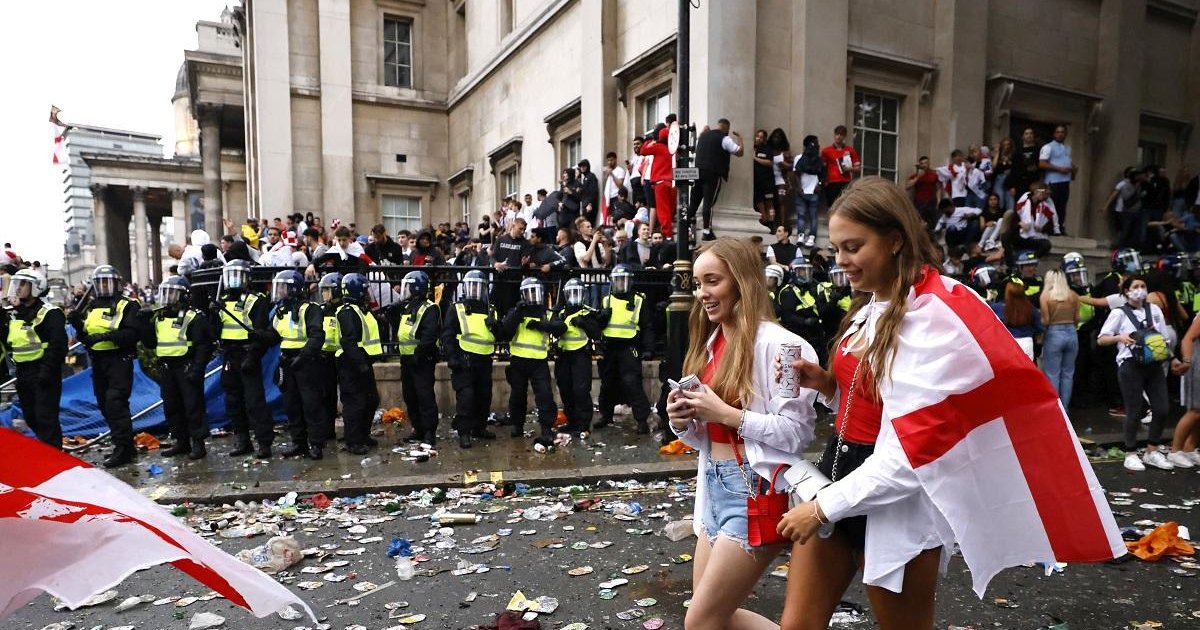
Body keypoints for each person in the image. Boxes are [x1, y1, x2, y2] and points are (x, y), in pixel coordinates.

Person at [776, 177, 1123, 630]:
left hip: (893, 501)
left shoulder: (937, 315)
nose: (841, 261)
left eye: (853, 247)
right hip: (836, 474)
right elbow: (878, 403)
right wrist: (827, 386)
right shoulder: (870, 306)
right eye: (837, 247)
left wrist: (821, 508)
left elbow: (912, 454)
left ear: (895, 239)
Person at [664, 237, 818, 630]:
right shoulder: (712, 341)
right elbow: (706, 433)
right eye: (698, 284)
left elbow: (797, 434)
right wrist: (682, 420)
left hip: (754, 489)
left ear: (742, 281)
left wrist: (727, 413)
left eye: (712, 281)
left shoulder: (783, 346)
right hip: (713, 485)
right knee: (714, 618)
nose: (702, 294)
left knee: (700, 621)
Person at [1097, 275, 1173, 471]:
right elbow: (1102, 339)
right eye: (1136, 286)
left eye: (1143, 286)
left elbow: (1164, 338)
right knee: (1134, 410)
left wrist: (1173, 359)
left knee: (1162, 408)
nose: (1140, 289)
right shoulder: (1119, 313)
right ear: (1126, 291)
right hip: (1130, 365)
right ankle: (1130, 453)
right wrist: (1120, 338)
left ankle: (1152, 450)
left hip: (1154, 364)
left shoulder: (1154, 310)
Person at [70, 265, 141, 467]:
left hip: (119, 359)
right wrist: (78, 326)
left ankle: (123, 448)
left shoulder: (128, 305)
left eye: (107, 282)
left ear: (117, 284)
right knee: (104, 404)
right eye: (100, 282)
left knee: (115, 402)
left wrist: (106, 337)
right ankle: (126, 445)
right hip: (98, 361)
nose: (104, 286)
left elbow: (131, 334)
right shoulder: (92, 307)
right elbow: (87, 338)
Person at [140, 276, 213, 460]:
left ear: (183, 296)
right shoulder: (160, 317)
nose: (168, 297)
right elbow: (150, 343)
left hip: (186, 367)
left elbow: (204, 345)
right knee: (172, 406)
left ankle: (198, 443)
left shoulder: (193, 317)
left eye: (172, 293)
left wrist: (197, 369)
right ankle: (181, 441)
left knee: (193, 406)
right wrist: (144, 324)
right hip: (167, 368)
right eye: (166, 293)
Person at [212, 259, 274, 459]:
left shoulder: (256, 300)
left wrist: (253, 356)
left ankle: (264, 442)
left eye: (239, 276)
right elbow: (216, 332)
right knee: (233, 401)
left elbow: (261, 331)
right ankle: (242, 439)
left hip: (248, 353)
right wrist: (213, 314)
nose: (234, 280)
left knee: (254, 401)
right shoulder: (223, 300)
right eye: (231, 275)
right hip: (230, 354)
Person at [2, 269, 67, 448]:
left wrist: (46, 373)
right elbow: (9, 341)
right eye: (17, 284)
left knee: (46, 417)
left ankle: (54, 459)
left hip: (43, 371)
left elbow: (58, 345)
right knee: (31, 416)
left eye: (23, 284)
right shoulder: (16, 314)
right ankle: (48, 453)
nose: (18, 288)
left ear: (36, 287)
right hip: (23, 373)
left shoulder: (50, 313)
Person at [268, 270, 329, 460]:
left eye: (283, 287)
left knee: (311, 405)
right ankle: (299, 442)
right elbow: (274, 335)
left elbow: (317, 336)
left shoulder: (310, 309)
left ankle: (316, 444)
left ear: (293, 288)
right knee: (291, 404)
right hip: (287, 361)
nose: (279, 292)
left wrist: (303, 357)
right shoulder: (280, 310)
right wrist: (258, 336)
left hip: (306, 362)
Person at [500, 277, 565, 439]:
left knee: (545, 396)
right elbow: (505, 331)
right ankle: (517, 425)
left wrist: (538, 325)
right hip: (518, 361)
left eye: (535, 292)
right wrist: (517, 313)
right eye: (529, 293)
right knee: (517, 396)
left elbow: (560, 327)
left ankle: (546, 428)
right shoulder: (516, 311)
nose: (532, 296)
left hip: (538, 361)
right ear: (523, 295)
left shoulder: (545, 314)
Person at [442, 270, 499, 448]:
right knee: (466, 397)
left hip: (484, 359)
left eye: (478, 286)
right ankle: (464, 432)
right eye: (471, 285)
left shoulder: (490, 309)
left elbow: (499, 334)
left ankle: (479, 428)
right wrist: (451, 357)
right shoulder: (457, 308)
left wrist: (496, 325)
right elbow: (448, 334)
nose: (474, 289)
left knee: (484, 396)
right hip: (463, 359)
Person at [596, 265, 655, 433]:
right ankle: (606, 415)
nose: (621, 284)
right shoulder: (606, 300)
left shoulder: (638, 300)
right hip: (609, 347)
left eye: (624, 280)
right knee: (607, 383)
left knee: (632, 383)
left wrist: (648, 349)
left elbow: (647, 326)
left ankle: (642, 420)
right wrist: (601, 318)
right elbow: (596, 326)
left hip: (628, 347)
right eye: (618, 281)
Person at [391, 270, 441, 446]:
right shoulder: (408, 307)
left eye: (409, 287)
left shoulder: (429, 308)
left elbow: (429, 336)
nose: (407, 291)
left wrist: (418, 354)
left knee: (424, 396)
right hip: (407, 359)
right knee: (410, 396)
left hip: (422, 360)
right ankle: (418, 428)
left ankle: (429, 432)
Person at [336, 272, 383, 454]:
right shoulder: (348, 312)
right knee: (355, 403)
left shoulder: (360, 310)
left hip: (363, 362)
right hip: (351, 364)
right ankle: (353, 441)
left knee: (371, 400)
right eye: (364, 290)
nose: (367, 294)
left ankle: (363, 435)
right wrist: (360, 363)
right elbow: (349, 341)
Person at [551, 279, 603, 436]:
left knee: (581, 390)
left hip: (581, 355)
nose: (574, 297)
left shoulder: (587, 312)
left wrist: (584, 324)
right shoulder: (560, 312)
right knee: (566, 390)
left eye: (577, 293)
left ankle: (583, 424)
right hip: (563, 355)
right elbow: (553, 329)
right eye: (571, 293)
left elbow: (596, 333)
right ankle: (572, 421)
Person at [690, 118, 745, 239]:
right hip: (712, 173)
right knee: (708, 202)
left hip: (697, 172)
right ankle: (706, 231)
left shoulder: (703, 136)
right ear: (727, 129)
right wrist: (740, 138)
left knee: (694, 202)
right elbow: (739, 152)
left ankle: (687, 228)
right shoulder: (724, 138)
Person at [1040, 269, 1080, 408]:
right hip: (1072, 333)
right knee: (1068, 373)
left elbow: (1045, 321)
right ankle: (1066, 407)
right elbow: (1077, 319)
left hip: (1054, 333)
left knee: (1052, 374)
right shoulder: (1073, 296)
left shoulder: (1046, 296)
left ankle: (1056, 409)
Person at [778, 255, 825, 365]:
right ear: (794, 272)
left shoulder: (812, 288)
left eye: (808, 270)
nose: (806, 273)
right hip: (798, 336)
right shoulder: (787, 292)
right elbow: (787, 317)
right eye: (802, 270)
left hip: (815, 334)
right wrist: (805, 321)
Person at [317, 273, 344, 439]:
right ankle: (328, 430)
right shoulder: (321, 310)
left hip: (342, 356)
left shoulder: (344, 310)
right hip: (325, 357)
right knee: (327, 395)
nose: (323, 294)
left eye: (327, 290)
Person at [1039, 124, 1078, 230]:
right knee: (1052, 205)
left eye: (1062, 132)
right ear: (1054, 134)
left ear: (1065, 134)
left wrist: (1073, 170)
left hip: (1065, 181)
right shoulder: (1048, 147)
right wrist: (1059, 169)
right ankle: (1050, 227)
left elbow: (1066, 162)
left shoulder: (1067, 148)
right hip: (1053, 181)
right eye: (1058, 132)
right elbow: (1042, 163)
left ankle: (1060, 227)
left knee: (1062, 205)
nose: (1060, 134)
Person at [991, 281, 1043, 360]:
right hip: (1026, 342)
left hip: (1007, 343)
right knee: (1026, 371)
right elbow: (1040, 327)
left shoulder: (997, 308)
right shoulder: (1030, 308)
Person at [1013, 182, 1059, 258]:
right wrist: (1020, 224)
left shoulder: (1045, 207)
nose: (1044, 195)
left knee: (1046, 245)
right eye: (1042, 192)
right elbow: (1014, 220)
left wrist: (1042, 228)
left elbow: (1051, 228)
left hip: (1036, 237)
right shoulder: (1024, 203)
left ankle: (1031, 258)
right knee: (1008, 236)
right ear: (1036, 192)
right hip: (1022, 234)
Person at [820, 125, 860, 207]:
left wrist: (850, 168)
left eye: (841, 134)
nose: (839, 137)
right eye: (837, 134)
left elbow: (858, 169)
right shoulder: (826, 151)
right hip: (831, 183)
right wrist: (824, 181)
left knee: (843, 206)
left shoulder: (850, 150)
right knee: (832, 206)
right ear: (834, 135)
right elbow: (822, 168)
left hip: (845, 182)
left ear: (844, 136)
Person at [904, 156, 941, 232]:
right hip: (919, 203)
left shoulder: (934, 175)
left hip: (932, 202)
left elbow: (938, 189)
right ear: (919, 165)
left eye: (926, 163)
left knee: (934, 223)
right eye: (922, 163)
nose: (924, 165)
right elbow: (907, 186)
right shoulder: (915, 176)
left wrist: (939, 201)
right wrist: (918, 177)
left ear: (928, 164)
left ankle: (933, 239)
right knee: (919, 223)